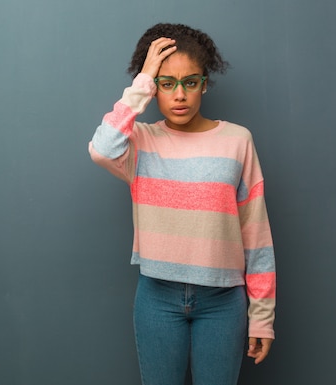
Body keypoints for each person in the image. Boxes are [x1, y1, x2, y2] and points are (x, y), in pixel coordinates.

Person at [88, 23, 276, 385]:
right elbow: (101, 150)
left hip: (223, 301)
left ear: (205, 83)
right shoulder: (140, 141)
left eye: (190, 82)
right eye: (166, 83)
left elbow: (256, 233)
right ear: (154, 87)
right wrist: (142, 80)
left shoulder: (237, 141)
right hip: (157, 297)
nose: (179, 95)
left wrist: (262, 316)